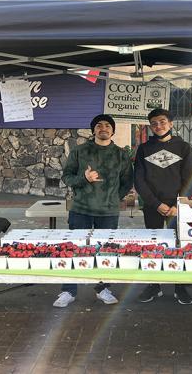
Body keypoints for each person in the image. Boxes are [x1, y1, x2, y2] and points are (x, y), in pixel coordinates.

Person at [56, 114, 134, 308]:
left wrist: (114, 198)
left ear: (113, 130)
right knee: (74, 249)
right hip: (81, 209)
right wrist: (84, 179)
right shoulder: (80, 151)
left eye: (108, 125)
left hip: (108, 212)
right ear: (93, 131)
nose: (103, 128)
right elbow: (67, 177)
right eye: (99, 125)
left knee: (105, 251)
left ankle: (102, 288)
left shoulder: (121, 154)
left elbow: (127, 181)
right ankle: (68, 290)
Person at [134, 108, 192, 305]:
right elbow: (139, 180)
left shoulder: (183, 147)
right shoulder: (144, 149)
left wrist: (179, 204)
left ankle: (180, 286)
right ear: (150, 127)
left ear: (170, 124)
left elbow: (189, 178)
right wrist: (156, 204)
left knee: (179, 245)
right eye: (154, 123)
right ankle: (154, 285)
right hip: (153, 207)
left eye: (162, 122)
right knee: (153, 246)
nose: (158, 126)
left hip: (177, 208)